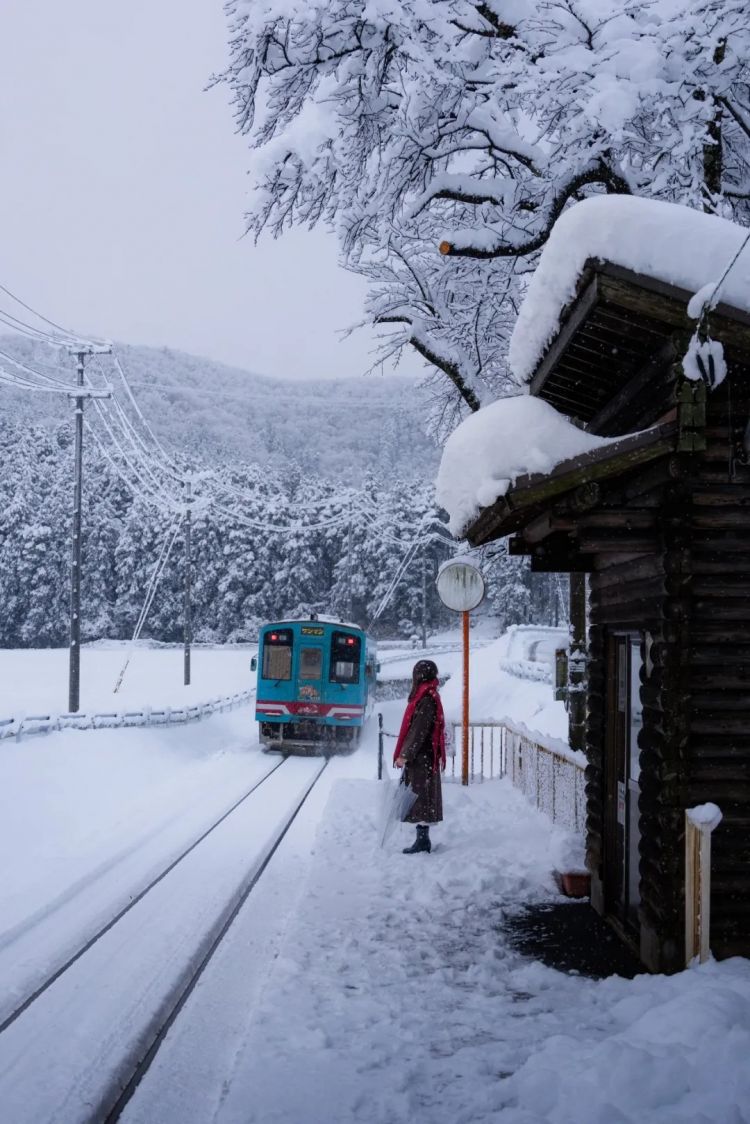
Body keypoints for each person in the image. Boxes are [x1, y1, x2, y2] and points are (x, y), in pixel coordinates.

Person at [393, 659, 446, 854]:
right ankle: (422, 840)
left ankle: (423, 842)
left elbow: (418, 731)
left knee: (421, 799)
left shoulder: (426, 698)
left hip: (422, 759)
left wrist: (405, 755)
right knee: (420, 798)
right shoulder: (428, 695)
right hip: (423, 758)